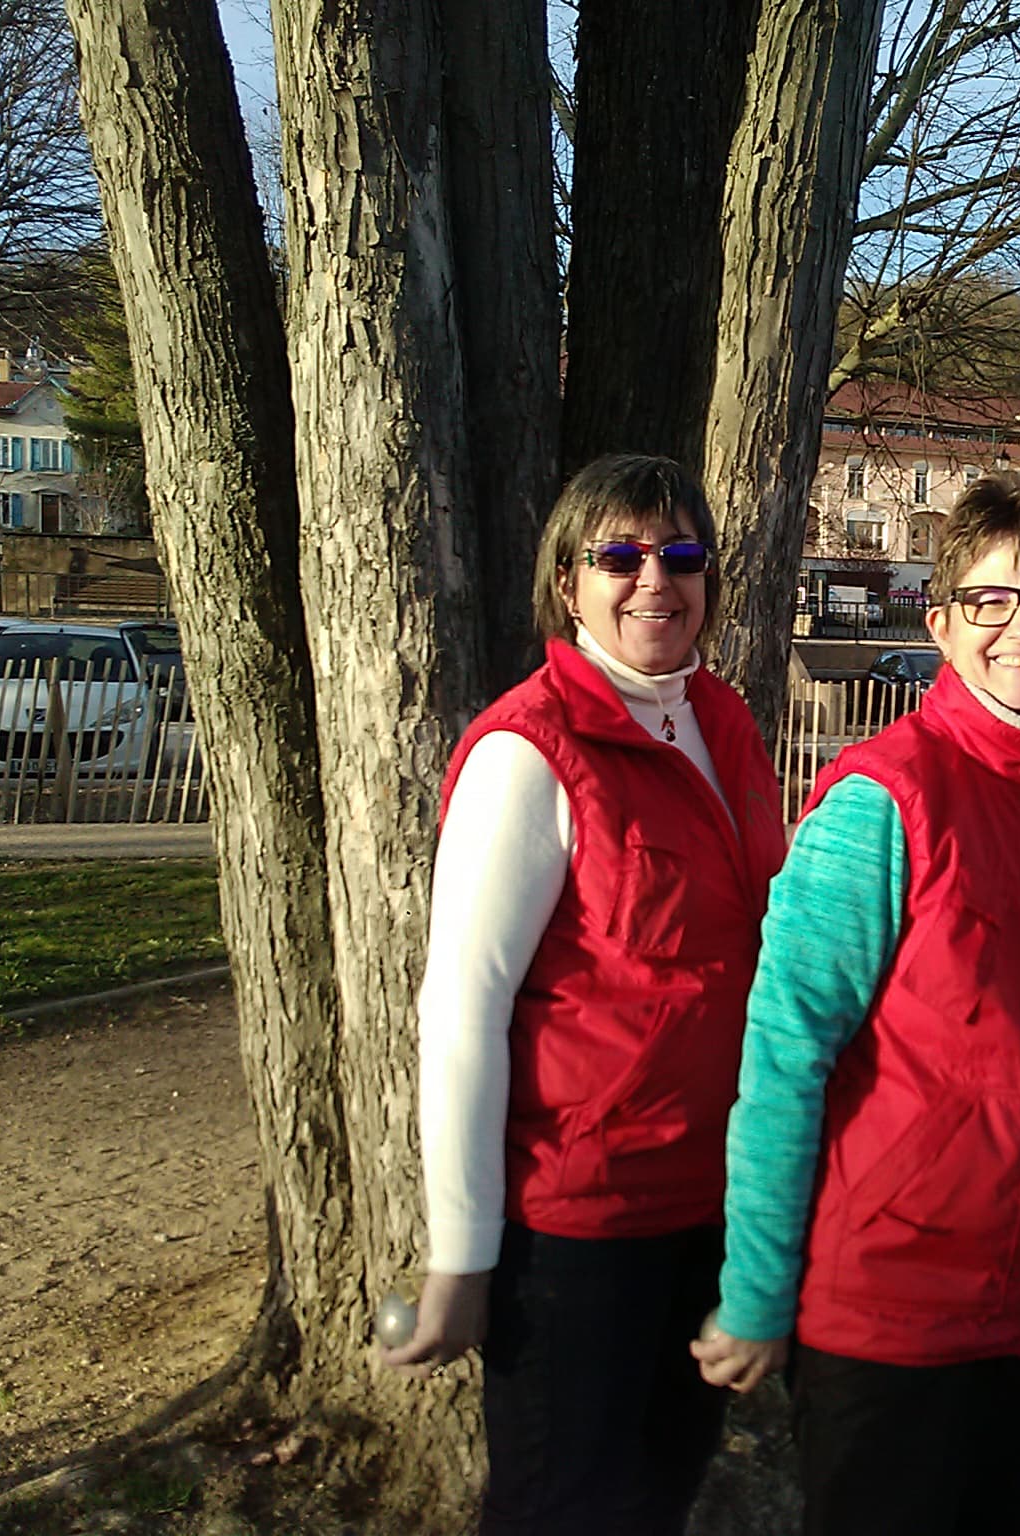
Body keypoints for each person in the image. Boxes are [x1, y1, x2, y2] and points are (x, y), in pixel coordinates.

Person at [693, 478, 1020, 1535]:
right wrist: (756, 1295)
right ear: (940, 625)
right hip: (898, 1316)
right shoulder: (880, 800)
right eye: (989, 601)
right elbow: (785, 1053)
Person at [381, 453, 787, 1535]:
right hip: (580, 1230)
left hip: (710, 1207)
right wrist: (461, 1257)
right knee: (563, 1511)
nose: (655, 580)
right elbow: (463, 1005)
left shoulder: (722, 721)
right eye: (620, 555)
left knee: (661, 1492)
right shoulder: (530, 750)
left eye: (681, 555)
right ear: (569, 583)